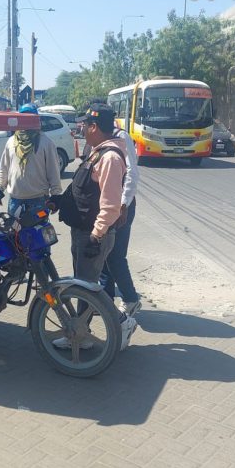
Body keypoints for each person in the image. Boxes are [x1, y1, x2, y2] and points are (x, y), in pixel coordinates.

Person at [48, 103, 135, 348]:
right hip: (84, 231)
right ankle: (82, 332)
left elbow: (110, 206)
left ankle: (120, 323)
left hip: (92, 235)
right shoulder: (97, 151)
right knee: (85, 285)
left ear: (94, 126)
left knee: (87, 287)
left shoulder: (109, 157)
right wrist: (58, 202)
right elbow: (82, 187)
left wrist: (96, 238)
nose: (81, 128)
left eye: (84, 124)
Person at [99, 107, 141, 317]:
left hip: (122, 207)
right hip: (107, 206)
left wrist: (123, 204)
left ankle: (131, 299)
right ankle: (105, 302)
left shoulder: (121, 137)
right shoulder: (100, 141)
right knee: (106, 255)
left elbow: (132, 173)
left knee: (115, 256)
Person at [0, 104, 62, 217]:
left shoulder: (46, 142)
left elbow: (54, 171)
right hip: (15, 202)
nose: (26, 121)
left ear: (36, 119)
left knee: (38, 233)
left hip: (39, 202)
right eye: (23, 117)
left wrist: (55, 196)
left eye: (30, 117)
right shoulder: (11, 142)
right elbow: (4, 168)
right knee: (14, 234)